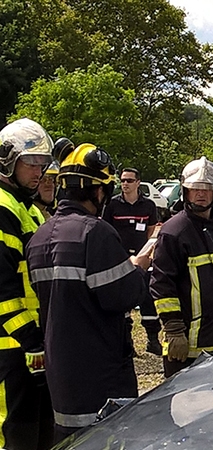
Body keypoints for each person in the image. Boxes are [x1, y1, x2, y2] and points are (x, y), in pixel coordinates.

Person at [26, 143, 150, 442]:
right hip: (102, 375)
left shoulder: (39, 237)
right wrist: (138, 267)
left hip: (60, 373)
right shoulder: (95, 233)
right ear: (98, 191)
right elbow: (124, 295)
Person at [150, 157, 213, 377]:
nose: (201, 193)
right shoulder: (174, 232)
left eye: (207, 188)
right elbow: (162, 286)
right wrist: (174, 330)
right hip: (190, 350)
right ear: (185, 191)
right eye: (195, 188)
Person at [0, 118, 54, 450]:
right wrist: (29, 339)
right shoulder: (4, 208)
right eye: (30, 162)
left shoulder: (28, 208)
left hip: (33, 346)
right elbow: (2, 289)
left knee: (37, 436)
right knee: (13, 436)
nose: (39, 171)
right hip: (10, 348)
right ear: (8, 160)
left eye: (42, 163)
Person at [101, 167, 159, 354]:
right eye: (123, 180)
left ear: (138, 183)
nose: (124, 184)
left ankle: (152, 340)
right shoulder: (112, 205)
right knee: (123, 303)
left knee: (148, 300)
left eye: (129, 180)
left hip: (143, 259)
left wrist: (146, 255)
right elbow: (106, 232)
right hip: (120, 259)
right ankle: (127, 343)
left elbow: (152, 231)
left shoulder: (148, 205)